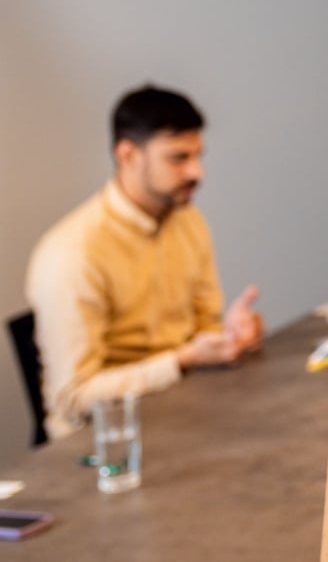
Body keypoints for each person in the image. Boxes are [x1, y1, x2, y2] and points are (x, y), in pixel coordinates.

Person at [25, 86, 264, 440]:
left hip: (183, 417)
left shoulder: (187, 222)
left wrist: (228, 339)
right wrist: (180, 361)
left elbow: (201, 330)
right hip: (102, 447)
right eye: (178, 158)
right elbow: (73, 398)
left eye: (198, 156)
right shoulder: (72, 254)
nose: (197, 172)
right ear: (128, 155)